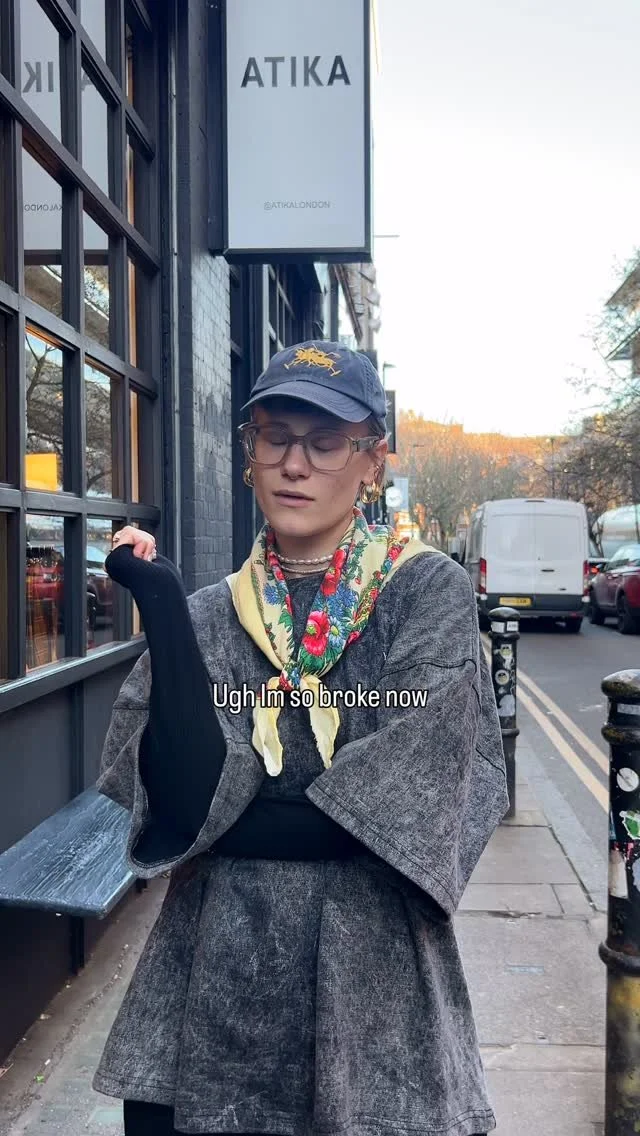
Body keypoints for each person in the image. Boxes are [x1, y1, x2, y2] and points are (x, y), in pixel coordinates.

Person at [92, 341, 508, 1136]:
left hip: (376, 999)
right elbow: (174, 806)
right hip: (208, 989)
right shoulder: (208, 613)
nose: (295, 464)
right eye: (275, 437)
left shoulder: (425, 593)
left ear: (372, 462)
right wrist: (166, 609)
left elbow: (409, 804)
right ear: (249, 454)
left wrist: (232, 819)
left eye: (325, 443)